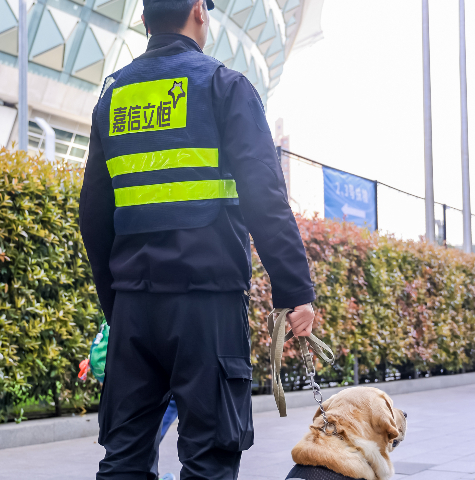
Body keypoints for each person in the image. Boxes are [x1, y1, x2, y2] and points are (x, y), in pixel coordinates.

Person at [78, 0, 316, 477]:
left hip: (134, 306)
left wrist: (117, 305)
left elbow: (93, 214)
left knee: (123, 456)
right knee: (209, 456)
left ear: (144, 21)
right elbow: (265, 198)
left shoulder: (113, 96)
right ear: (198, 13)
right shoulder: (224, 87)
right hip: (207, 306)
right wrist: (296, 293)